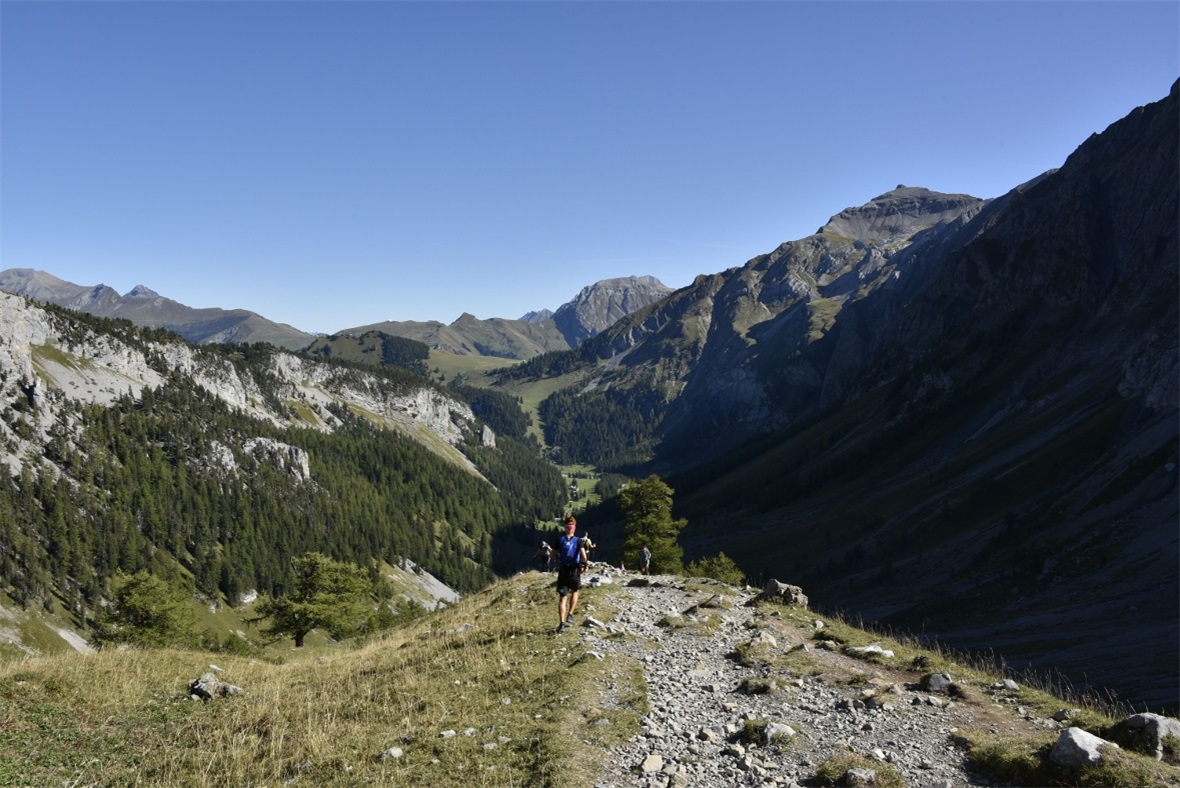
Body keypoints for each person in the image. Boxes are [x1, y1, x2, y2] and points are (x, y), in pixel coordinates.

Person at [554, 515, 588, 633]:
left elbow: (553, 554)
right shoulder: (578, 541)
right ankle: (570, 614)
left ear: (565, 527)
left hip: (563, 570)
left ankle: (562, 623)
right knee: (575, 591)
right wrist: (584, 565)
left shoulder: (559, 540)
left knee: (563, 597)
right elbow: (584, 557)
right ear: (574, 528)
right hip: (574, 571)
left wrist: (558, 558)